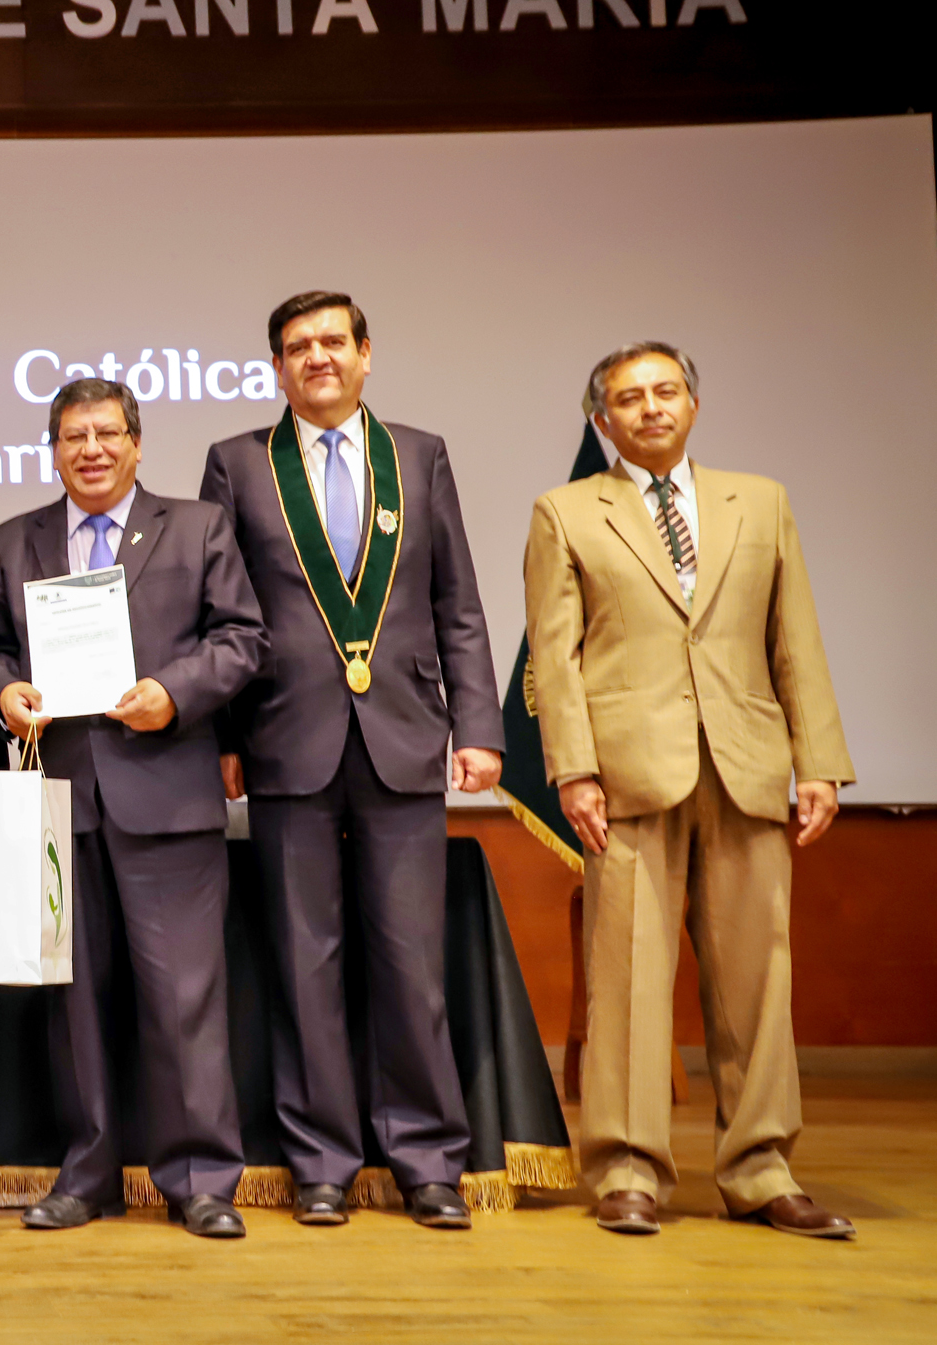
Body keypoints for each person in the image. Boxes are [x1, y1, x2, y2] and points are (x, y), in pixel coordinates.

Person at [524, 343, 855, 1239]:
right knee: (625, 980)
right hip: (627, 773)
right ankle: (627, 1169)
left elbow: (795, 636)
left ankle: (759, 1169)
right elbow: (554, 657)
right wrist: (573, 767)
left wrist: (817, 758)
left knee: (756, 980)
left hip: (745, 764)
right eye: (627, 399)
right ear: (602, 420)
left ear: (693, 405)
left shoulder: (762, 500)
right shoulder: (564, 510)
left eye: (665, 391)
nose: (649, 408)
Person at [201, 291, 502, 1231]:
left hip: (406, 735)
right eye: (297, 347)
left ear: (366, 353)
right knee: (303, 961)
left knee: (410, 961)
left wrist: (480, 727)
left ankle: (425, 1159)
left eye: (333, 341)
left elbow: (457, 599)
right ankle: (320, 1159)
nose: (316, 358)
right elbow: (214, 613)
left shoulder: (418, 454)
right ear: (276, 368)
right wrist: (221, 739)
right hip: (283, 742)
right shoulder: (238, 464)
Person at [0, 377, 267, 1238]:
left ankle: (199, 1179)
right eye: (73, 436)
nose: (91, 450)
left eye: (107, 434)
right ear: (54, 450)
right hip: (60, 800)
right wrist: (6, 693)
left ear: (137, 444)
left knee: (184, 998)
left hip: (166, 792)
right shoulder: (13, 538)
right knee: (75, 1000)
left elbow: (242, 638)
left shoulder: (196, 525)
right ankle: (88, 1173)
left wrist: (172, 693)